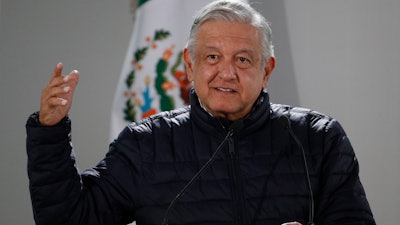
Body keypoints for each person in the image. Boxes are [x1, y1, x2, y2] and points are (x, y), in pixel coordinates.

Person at [26, 1, 376, 225]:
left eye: (242, 59)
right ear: (189, 65)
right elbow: (70, 218)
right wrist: (50, 132)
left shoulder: (318, 137)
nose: (226, 73)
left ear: (266, 70)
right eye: (211, 57)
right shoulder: (146, 144)